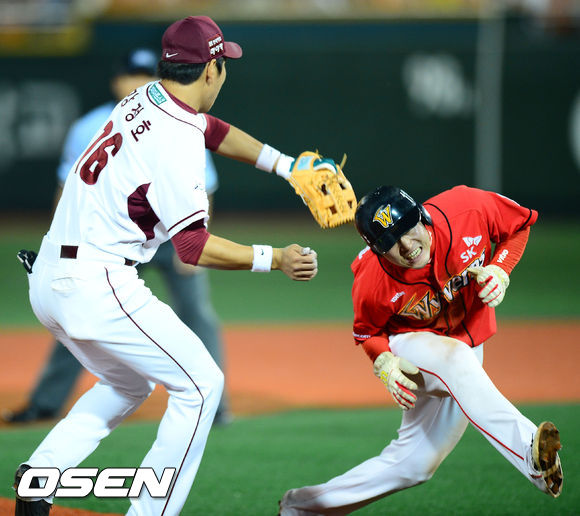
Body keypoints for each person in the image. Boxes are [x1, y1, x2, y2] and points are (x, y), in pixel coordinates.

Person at [13, 15, 322, 516]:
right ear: (211, 71)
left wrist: (285, 166)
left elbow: (211, 129)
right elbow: (193, 247)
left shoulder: (146, 96)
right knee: (202, 385)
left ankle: (39, 479)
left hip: (51, 276)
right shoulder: (175, 142)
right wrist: (277, 258)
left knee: (128, 383)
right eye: (224, 63)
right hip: (97, 282)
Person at [279, 185, 563, 515]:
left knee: (415, 465)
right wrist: (384, 362)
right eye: (390, 242)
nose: (406, 246)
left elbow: (520, 224)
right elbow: (367, 332)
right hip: (412, 349)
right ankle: (530, 451)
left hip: (464, 349)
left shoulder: (467, 209)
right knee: (455, 357)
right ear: (376, 250)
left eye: (407, 228)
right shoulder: (372, 278)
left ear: (421, 215)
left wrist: (501, 267)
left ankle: (302, 507)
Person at [2, 47, 232, 426]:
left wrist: (195, 238)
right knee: (79, 319)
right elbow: (68, 188)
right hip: (112, 240)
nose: (137, 83)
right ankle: (45, 403)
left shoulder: (181, 121)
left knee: (197, 313)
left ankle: (216, 406)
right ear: (116, 81)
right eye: (131, 75)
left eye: (146, 75)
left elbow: (203, 185)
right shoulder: (89, 127)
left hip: (172, 234)